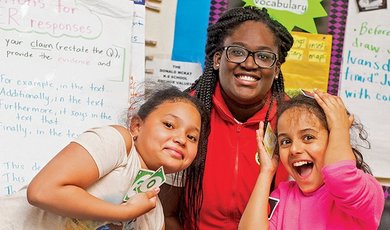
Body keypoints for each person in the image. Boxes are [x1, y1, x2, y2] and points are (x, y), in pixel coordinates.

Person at [159, 6, 294, 229]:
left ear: (277, 69)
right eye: (238, 52)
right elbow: (165, 213)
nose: (250, 64)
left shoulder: (293, 122)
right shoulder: (185, 116)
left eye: (263, 56)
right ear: (217, 59)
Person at [0, 86, 210, 230]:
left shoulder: (153, 217)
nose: (181, 139)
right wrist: (123, 213)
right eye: (169, 125)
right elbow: (42, 192)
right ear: (137, 126)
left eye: (192, 137)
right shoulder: (119, 143)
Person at [239, 90, 385, 229]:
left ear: (334, 139)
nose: (294, 149)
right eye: (285, 141)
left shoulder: (368, 190)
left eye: (308, 137)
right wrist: (266, 172)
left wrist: (340, 129)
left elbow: (340, 176)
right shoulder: (283, 196)